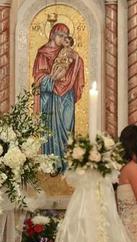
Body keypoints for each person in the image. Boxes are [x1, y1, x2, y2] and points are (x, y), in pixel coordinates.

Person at [32, 23, 84, 173]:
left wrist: (77, 59)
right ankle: (53, 164)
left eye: (66, 36)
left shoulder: (67, 53)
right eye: (60, 35)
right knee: (51, 131)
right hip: (50, 100)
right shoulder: (43, 53)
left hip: (66, 97)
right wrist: (53, 78)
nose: (63, 39)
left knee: (67, 129)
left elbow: (76, 65)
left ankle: (68, 163)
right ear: (53, 35)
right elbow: (38, 79)